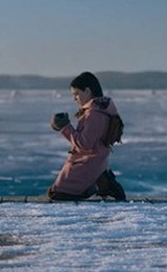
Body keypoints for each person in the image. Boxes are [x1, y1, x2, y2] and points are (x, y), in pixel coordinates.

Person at [48, 71, 126, 201]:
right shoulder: (98, 110)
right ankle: (101, 180)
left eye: (77, 94)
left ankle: (101, 182)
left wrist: (64, 127)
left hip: (88, 162)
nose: (75, 99)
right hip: (94, 160)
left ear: (88, 91)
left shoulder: (94, 114)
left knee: (57, 194)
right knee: (56, 193)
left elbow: (85, 144)